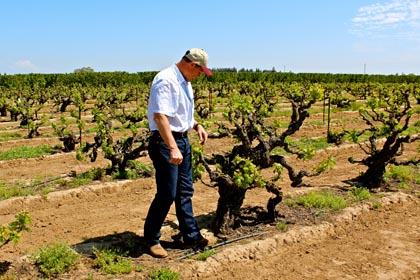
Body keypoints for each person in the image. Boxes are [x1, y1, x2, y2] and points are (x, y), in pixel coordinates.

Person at [144, 48, 212, 258]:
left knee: (184, 192)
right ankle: (151, 239)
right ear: (192, 65)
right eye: (200, 71)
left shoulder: (186, 82)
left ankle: (191, 236)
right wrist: (172, 146)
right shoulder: (166, 80)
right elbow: (161, 117)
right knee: (167, 194)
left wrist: (196, 125)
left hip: (182, 140)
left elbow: (181, 114)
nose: (200, 76)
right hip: (166, 142)